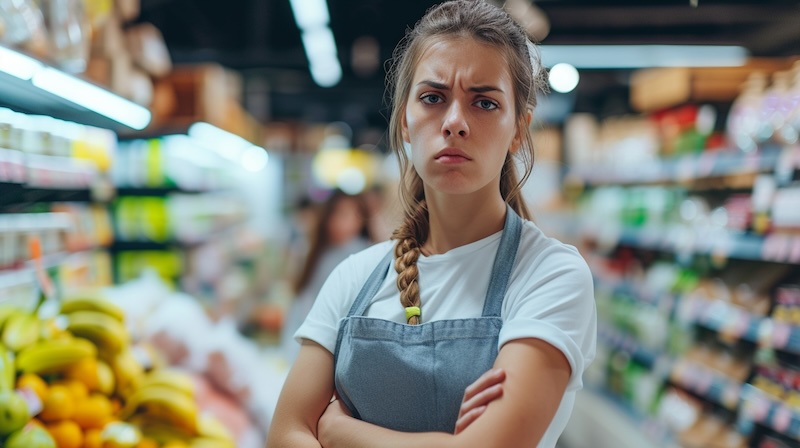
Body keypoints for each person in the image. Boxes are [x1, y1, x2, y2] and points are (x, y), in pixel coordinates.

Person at [267, 1, 597, 447]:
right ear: (405, 120)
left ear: (519, 129)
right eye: (433, 98)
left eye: (484, 102)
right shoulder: (355, 278)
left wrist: (339, 430)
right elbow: (284, 434)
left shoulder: (550, 275)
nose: (455, 123)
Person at [280, 189, 374, 362]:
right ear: (327, 216)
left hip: (342, 351)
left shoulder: (365, 255)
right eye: (341, 214)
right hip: (310, 342)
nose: (348, 221)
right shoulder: (314, 251)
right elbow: (302, 302)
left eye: (356, 214)